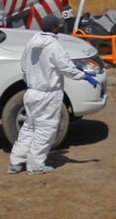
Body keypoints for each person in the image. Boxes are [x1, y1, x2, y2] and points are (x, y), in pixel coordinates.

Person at [8, 14, 99, 175]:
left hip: (31, 92)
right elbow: (66, 68)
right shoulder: (53, 46)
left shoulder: (32, 42)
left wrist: (30, 80)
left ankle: (16, 162)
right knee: (45, 130)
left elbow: (24, 65)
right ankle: (35, 166)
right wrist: (84, 76)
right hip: (48, 95)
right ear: (55, 28)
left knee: (29, 127)